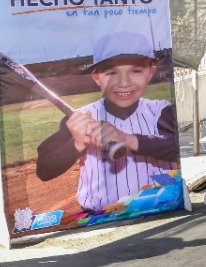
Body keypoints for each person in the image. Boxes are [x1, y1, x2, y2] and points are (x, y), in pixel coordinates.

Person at [36, 31, 179, 212]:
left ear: (150, 73)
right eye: (111, 72)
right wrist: (76, 144)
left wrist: (127, 139)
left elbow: (176, 148)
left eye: (136, 71)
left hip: (159, 209)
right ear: (97, 78)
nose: (124, 82)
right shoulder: (79, 118)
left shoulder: (162, 111)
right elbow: (44, 170)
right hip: (100, 217)